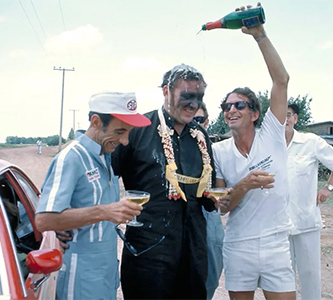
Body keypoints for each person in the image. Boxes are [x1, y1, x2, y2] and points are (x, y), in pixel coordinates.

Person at [109, 62, 218, 299]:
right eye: (187, 95)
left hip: (193, 254)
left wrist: (223, 195)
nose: (194, 104)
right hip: (148, 255)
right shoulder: (138, 130)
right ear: (166, 91)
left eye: (199, 97)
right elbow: (104, 178)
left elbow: (209, 200)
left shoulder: (201, 137)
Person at [212, 4, 295, 299]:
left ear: (255, 113)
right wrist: (244, 185)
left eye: (240, 105)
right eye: (227, 106)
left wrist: (260, 35)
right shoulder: (218, 151)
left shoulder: (271, 133)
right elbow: (223, 206)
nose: (231, 109)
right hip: (239, 244)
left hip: (276, 242)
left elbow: (281, 80)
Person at [35, 92, 149, 300]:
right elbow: (44, 219)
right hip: (81, 276)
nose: (124, 141)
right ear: (96, 122)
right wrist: (105, 212)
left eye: (128, 133)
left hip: (106, 273)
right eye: (120, 131)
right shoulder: (71, 159)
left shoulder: (106, 156)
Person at [285, 103, 333, 300]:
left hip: (306, 221)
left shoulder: (310, 142)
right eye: (280, 115)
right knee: (283, 278)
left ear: (295, 118)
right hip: (278, 225)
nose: (284, 119)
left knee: (310, 276)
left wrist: (328, 188)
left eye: (289, 115)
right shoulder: (268, 145)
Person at [195, 102, 224, 299]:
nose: (194, 124)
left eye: (199, 120)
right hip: (185, 212)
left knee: (212, 271)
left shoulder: (218, 151)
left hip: (209, 214)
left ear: (207, 122)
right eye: (191, 119)